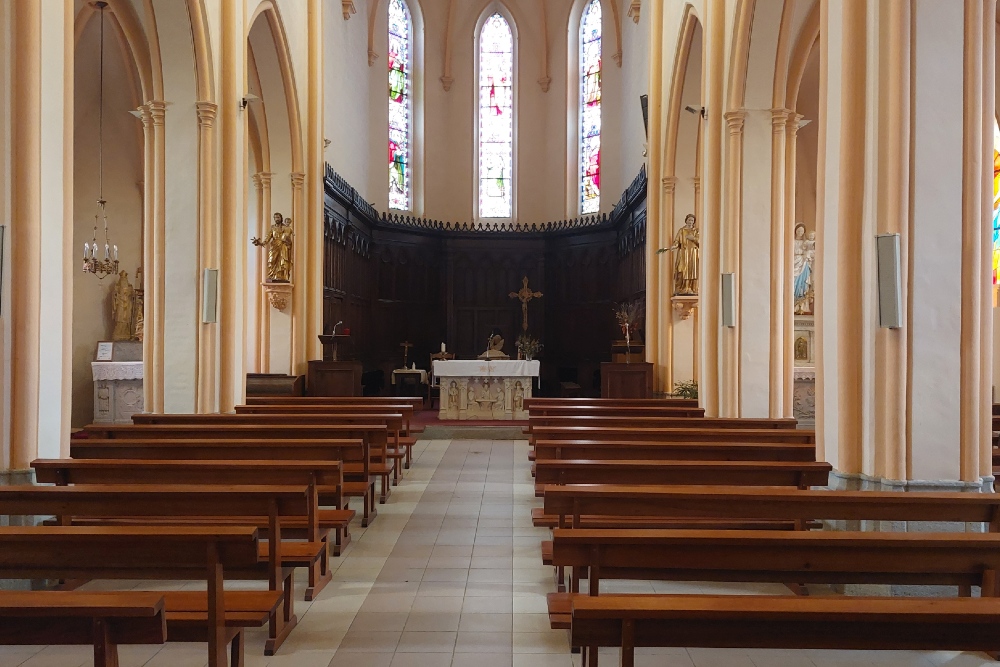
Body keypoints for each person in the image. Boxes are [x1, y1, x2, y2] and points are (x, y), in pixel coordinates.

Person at [663, 214, 700, 295]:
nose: (691, 222)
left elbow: (700, 242)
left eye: (692, 221)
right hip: (683, 253)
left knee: (692, 271)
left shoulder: (696, 231)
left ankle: (692, 288)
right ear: (686, 220)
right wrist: (674, 246)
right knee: (682, 270)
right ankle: (682, 288)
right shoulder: (682, 230)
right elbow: (677, 241)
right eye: (689, 220)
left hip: (693, 254)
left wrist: (693, 238)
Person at [252, 213, 294, 283]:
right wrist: (260, 243)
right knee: (272, 261)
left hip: (283, 246)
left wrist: (288, 242)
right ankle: (273, 275)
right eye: (275, 218)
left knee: (282, 261)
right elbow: (267, 237)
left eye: (278, 217)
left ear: (281, 218)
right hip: (274, 246)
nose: (277, 219)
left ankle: (282, 277)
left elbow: (289, 238)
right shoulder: (272, 228)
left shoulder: (285, 227)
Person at [111, 270, 134, 341]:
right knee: (119, 319)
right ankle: (118, 333)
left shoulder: (129, 286)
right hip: (120, 304)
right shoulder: (117, 286)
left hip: (127, 305)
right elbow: (114, 296)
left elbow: (132, 295)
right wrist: (116, 296)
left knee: (127, 320)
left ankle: (126, 333)